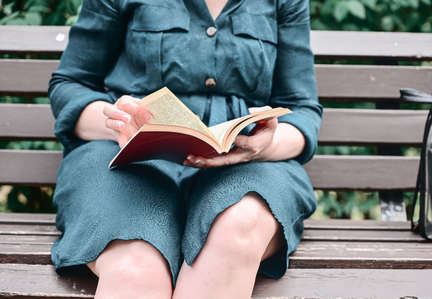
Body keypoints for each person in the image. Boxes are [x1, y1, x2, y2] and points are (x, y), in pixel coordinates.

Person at [48, 0, 323, 298]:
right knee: (136, 267)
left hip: (248, 166)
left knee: (238, 231)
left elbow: (302, 110)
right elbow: (69, 85)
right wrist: (120, 123)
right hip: (126, 160)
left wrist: (265, 145)